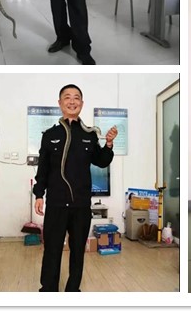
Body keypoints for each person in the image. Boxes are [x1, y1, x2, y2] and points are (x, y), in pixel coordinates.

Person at [33, 84, 117, 291]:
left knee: (78, 250)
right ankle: (48, 289)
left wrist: (108, 144)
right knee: (52, 249)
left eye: (76, 97)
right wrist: (39, 194)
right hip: (57, 204)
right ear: (60, 103)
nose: (72, 101)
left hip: (80, 204)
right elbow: (43, 168)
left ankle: (73, 290)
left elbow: (101, 161)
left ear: (82, 103)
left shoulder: (89, 135)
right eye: (67, 97)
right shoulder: (50, 135)